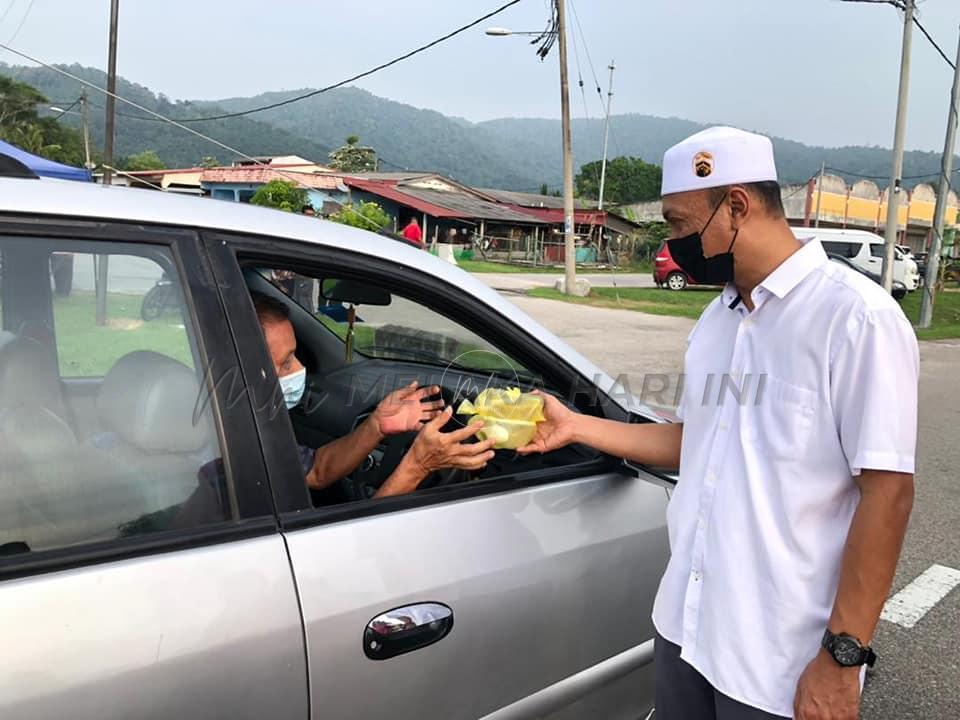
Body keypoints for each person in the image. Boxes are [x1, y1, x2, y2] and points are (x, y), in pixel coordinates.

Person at [518, 126, 918, 720]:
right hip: (686, 626)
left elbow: (887, 494)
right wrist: (577, 427)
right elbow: (694, 439)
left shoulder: (856, 320)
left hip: (778, 661)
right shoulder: (718, 319)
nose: (675, 244)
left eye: (680, 224)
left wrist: (843, 656)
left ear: (736, 205)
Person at [253, 292, 495, 497]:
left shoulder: (243, 428)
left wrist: (377, 425)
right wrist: (417, 466)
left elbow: (316, 472)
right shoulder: (239, 457)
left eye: (295, 356)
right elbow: (352, 538)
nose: (299, 368)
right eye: (286, 363)